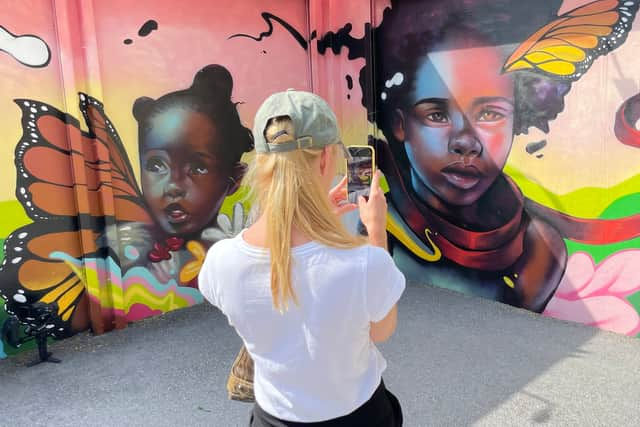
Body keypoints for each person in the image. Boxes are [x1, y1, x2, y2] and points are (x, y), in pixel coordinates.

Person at [199, 89, 405, 426]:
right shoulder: (365, 262)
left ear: (263, 161)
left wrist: (315, 212)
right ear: (325, 158)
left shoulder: (221, 263)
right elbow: (381, 330)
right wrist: (376, 230)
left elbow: (288, 279)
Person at [361, 0, 570, 312]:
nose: (465, 142)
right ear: (400, 124)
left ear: (517, 122)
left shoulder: (538, 248)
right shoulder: (376, 224)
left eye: (489, 113)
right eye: (436, 114)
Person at [119, 64, 254, 285]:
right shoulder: (131, 251)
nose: (173, 186)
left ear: (234, 178)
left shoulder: (241, 252)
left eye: (198, 167)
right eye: (155, 165)